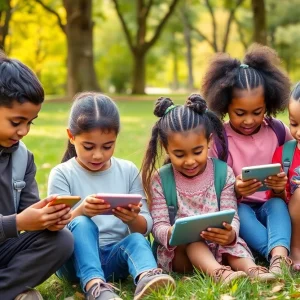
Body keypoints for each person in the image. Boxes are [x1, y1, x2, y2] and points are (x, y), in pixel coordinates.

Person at [47, 92, 175, 300]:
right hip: (73, 260)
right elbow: (53, 227)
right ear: (71, 136)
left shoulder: (128, 170)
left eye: (107, 146)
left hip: (117, 257)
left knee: (135, 239)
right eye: (88, 147)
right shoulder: (62, 173)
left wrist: (132, 218)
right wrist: (81, 211)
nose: (98, 155)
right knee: (81, 222)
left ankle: (147, 276)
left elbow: (145, 228)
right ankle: (95, 286)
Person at [141, 94, 276, 285]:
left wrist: (231, 234)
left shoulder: (223, 172)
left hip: (219, 244)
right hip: (181, 252)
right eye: (179, 154)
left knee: (232, 246)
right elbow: (158, 223)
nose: (189, 161)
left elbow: (232, 214)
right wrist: (171, 233)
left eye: (197, 151)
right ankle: (220, 273)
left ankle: (252, 269)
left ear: (209, 142)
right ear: (166, 148)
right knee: (194, 241)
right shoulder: (162, 179)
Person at [203, 44, 293, 275]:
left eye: (258, 112)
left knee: (276, 205)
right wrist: (237, 189)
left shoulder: (278, 131)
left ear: (268, 104)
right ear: (225, 105)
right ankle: (274, 254)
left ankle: (281, 257)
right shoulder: (220, 140)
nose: (249, 120)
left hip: (273, 201)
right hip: (240, 208)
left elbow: (294, 159)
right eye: (240, 113)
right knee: (241, 214)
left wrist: (280, 185)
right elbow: (212, 186)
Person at [0, 52, 74, 300]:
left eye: (31, 122)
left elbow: (29, 211)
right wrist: (18, 223)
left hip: (4, 250)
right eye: (16, 121)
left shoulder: (23, 158)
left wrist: (47, 218)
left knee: (61, 240)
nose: (23, 131)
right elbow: (20, 221)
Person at [271, 82, 300, 271]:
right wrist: (278, 188)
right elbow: (279, 202)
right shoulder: (284, 154)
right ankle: (296, 250)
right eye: (294, 123)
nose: (298, 132)